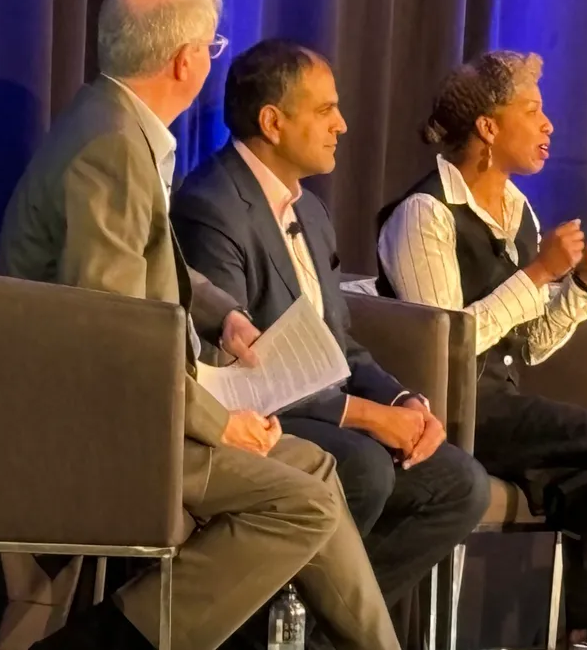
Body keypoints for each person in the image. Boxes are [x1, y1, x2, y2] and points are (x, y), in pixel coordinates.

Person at [0, 0, 399, 649]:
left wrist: (220, 314)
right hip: (101, 424)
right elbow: (115, 335)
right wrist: (220, 422)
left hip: (138, 402)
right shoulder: (112, 146)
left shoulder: (113, 121)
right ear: (186, 60)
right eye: (210, 46)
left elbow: (146, 256)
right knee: (301, 503)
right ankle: (110, 640)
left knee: (316, 469)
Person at [170, 39, 490, 643]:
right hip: (256, 415)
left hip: (324, 409)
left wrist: (401, 403)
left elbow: (339, 343)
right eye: (325, 110)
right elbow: (238, 371)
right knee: (363, 467)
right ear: (272, 121)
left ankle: (313, 634)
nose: (342, 124)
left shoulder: (311, 212)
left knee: (459, 484)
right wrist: (367, 418)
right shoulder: (211, 205)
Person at [376, 50, 587, 650]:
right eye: (531, 110)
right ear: (487, 127)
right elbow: (446, 344)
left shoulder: (517, 211)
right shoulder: (424, 215)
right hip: (446, 410)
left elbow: (528, 346)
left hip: (503, 402)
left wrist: (582, 281)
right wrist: (537, 274)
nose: (548, 124)